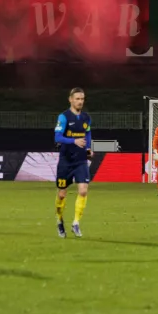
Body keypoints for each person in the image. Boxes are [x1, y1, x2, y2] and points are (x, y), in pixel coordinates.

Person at [53, 87, 92, 238]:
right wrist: (73, 141)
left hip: (81, 161)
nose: (80, 101)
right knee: (62, 195)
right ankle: (59, 220)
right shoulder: (63, 117)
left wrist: (88, 148)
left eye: (82, 99)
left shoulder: (86, 117)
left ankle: (76, 223)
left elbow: (88, 133)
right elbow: (57, 138)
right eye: (77, 99)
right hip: (66, 161)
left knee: (83, 190)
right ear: (70, 99)